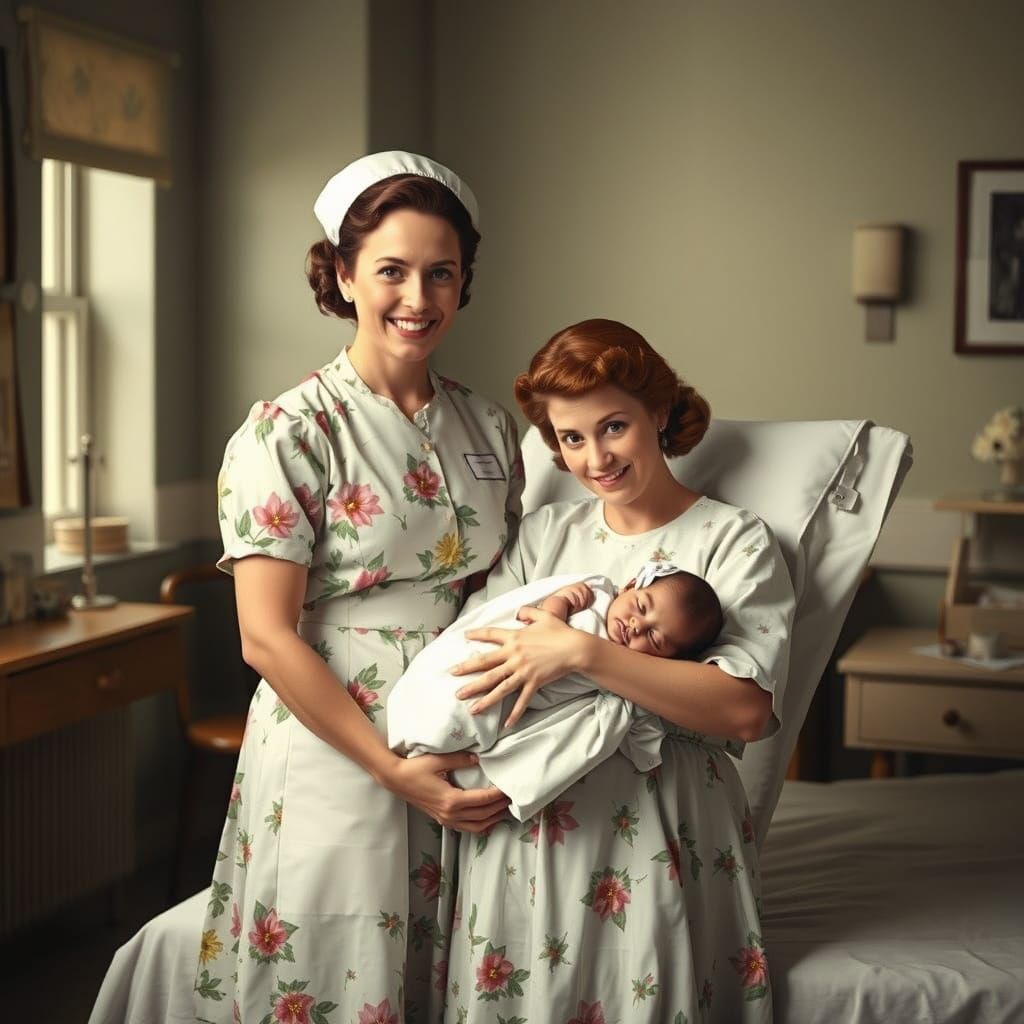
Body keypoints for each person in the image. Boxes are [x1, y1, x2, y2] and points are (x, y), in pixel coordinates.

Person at [192, 152, 521, 1024]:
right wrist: (389, 770)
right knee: (336, 976)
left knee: (448, 969)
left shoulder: (489, 425)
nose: (419, 297)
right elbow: (265, 638)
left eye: (441, 273)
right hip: (339, 736)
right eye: (392, 270)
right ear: (342, 273)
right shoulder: (288, 432)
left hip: (459, 731)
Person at [438, 319, 794, 1023]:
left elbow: (745, 708)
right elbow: (473, 651)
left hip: (667, 829)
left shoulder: (732, 540)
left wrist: (584, 655)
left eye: (613, 428)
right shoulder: (545, 536)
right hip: (536, 827)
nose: (595, 458)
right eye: (571, 439)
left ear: (658, 414)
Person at [387, 562, 722, 820]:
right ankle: (422, 730)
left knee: (478, 720)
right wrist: (561, 602)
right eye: (642, 606)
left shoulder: (626, 676)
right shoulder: (595, 598)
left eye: (653, 638)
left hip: (517, 703)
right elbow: (536, 621)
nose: (636, 625)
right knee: (467, 687)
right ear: (632, 584)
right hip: (500, 661)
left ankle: (433, 748)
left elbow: (639, 731)